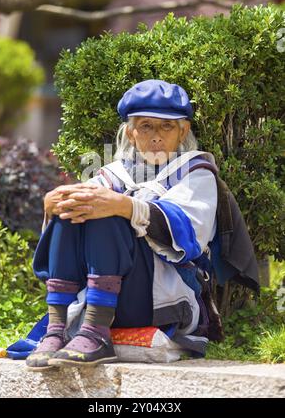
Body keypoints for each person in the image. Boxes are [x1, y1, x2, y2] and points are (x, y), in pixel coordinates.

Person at [26, 79, 219, 370]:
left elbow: (191, 235)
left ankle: (94, 332)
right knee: (76, 207)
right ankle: (56, 329)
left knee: (108, 210)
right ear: (130, 132)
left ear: (183, 131)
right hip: (97, 295)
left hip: (160, 300)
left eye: (166, 127)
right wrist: (53, 206)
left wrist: (125, 207)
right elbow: (69, 233)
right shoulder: (111, 175)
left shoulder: (196, 173)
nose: (156, 136)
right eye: (146, 126)